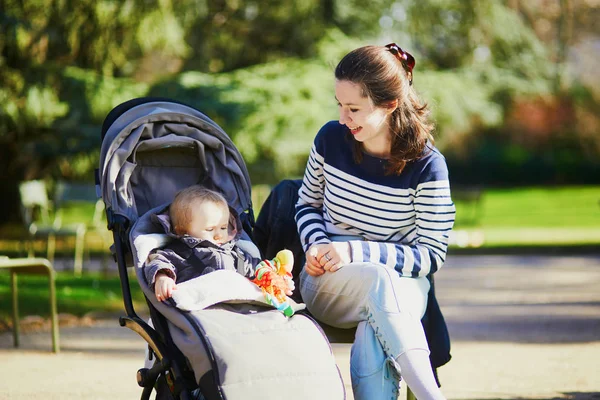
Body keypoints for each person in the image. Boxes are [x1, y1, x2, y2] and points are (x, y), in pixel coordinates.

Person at [295, 43, 455, 400]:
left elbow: (431, 255)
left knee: (374, 328)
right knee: (379, 285)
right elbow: (306, 204)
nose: (342, 118)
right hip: (329, 283)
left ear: (390, 104)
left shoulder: (428, 167)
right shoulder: (330, 140)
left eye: (353, 109)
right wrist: (317, 244)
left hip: (403, 287)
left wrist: (355, 251)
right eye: (339, 105)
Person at [143, 185, 293, 302]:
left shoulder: (236, 254)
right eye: (210, 229)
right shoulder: (179, 252)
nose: (219, 234)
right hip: (201, 308)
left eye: (223, 227)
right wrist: (163, 277)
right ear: (182, 231)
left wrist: (276, 279)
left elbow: (258, 269)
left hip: (238, 307)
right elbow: (159, 262)